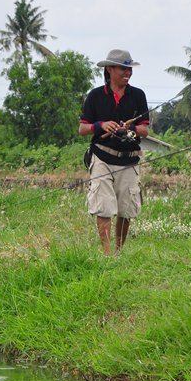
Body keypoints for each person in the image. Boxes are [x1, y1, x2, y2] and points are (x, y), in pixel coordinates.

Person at [78, 49, 150, 255]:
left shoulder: (138, 95)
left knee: (126, 209)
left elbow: (144, 130)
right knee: (103, 206)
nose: (127, 73)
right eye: (122, 69)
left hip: (129, 160)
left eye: (129, 69)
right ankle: (107, 253)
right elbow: (83, 128)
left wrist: (128, 129)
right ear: (109, 69)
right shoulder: (95, 96)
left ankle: (118, 251)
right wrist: (100, 125)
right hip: (101, 156)